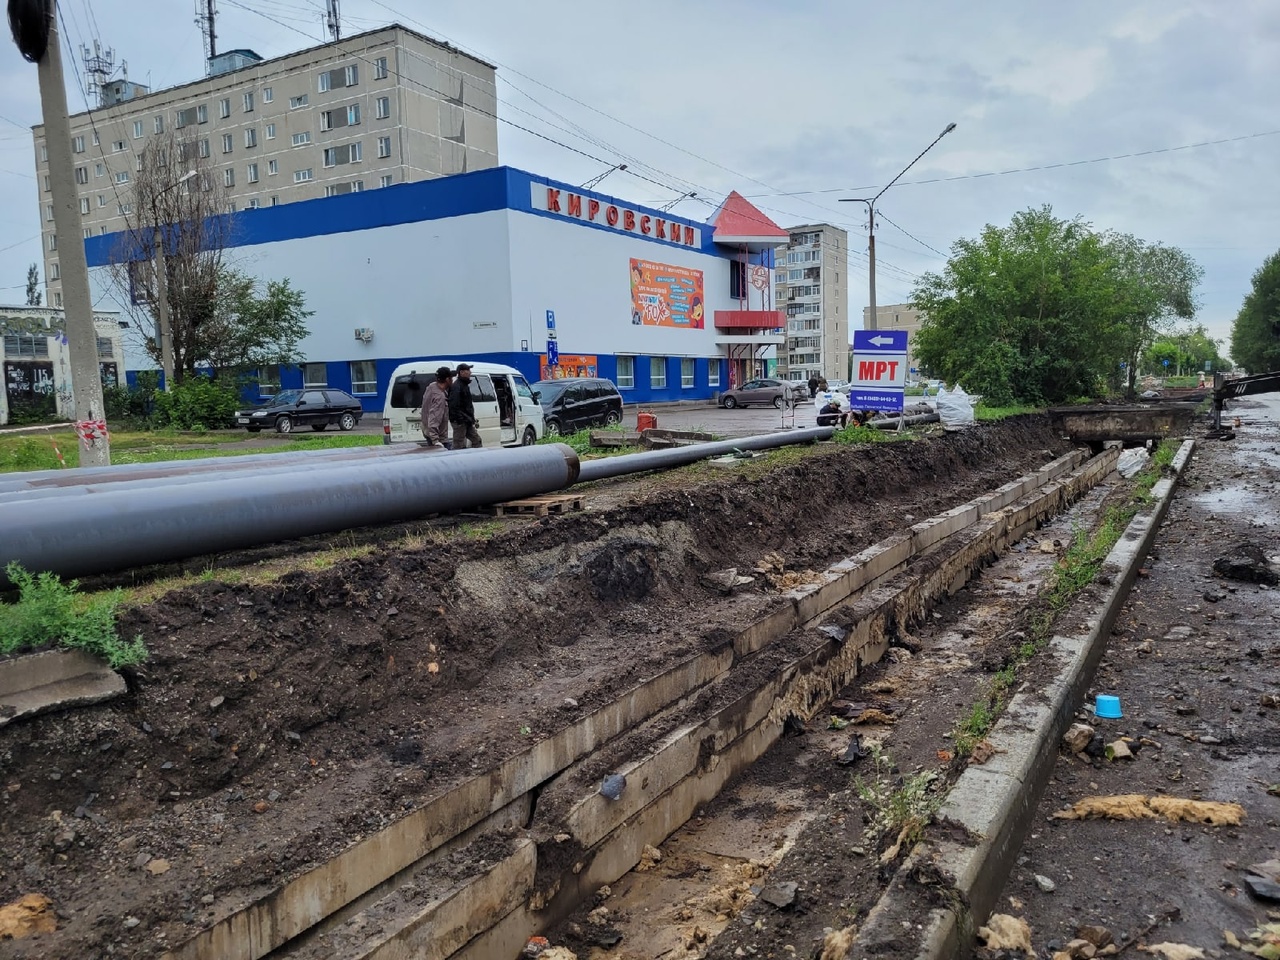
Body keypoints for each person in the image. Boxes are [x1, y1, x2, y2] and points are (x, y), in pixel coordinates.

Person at [448, 363, 482, 448]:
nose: (470, 372)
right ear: (461, 372)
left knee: (477, 440)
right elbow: (454, 406)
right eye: (468, 370)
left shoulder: (464, 385)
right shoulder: (457, 386)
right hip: (460, 421)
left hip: (466, 420)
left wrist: (470, 418)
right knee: (459, 444)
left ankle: (478, 459)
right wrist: (461, 419)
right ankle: (456, 460)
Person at [422, 365, 454, 448]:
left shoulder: (432, 387)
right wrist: (435, 440)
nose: (453, 380)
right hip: (439, 438)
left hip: (427, 431)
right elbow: (434, 418)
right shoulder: (440, 397)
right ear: (447, 380)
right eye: (451, 378)